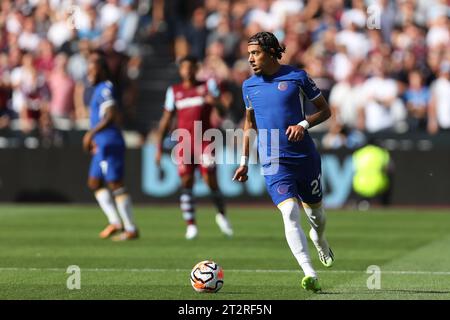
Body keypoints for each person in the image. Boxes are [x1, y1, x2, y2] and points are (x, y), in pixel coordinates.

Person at [232, 32, 333, 293]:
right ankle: (309, 272)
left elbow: (325, 110)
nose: (250, 58)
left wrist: (302, 124)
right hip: (273, 159)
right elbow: (249, 125)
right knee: (289, 212)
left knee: (316, 216)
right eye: (249, 54)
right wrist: (243, 160)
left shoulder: (297, 77)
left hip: (304, 157)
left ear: (271, 52)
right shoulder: (248, 86)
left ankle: (319, 239)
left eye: (255, 53)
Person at [155, 55, 233, 240]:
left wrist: (215, 103)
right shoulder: (174, 91)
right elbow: (166, 119)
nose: (187, 71)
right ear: (180, 70)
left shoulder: (207, 86)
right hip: (184, 143)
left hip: (206, 140)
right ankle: (191, 226)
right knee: (186, 182)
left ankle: (221, 215)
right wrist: (159, 146)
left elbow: (222, 110)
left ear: (196, 69)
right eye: (184, 68)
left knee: (209, 178)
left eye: (191, 67)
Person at [83, 50, 139, 241]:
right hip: (101, 144)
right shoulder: (98, 88)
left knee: (116, 184)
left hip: (110, 142)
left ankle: (131, 228)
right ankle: (115, 222)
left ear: (102, 69)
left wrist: (92, 133)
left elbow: (111, 115)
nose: (88, 72)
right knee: (95, 182)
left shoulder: (106, 87)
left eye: (92, 68)